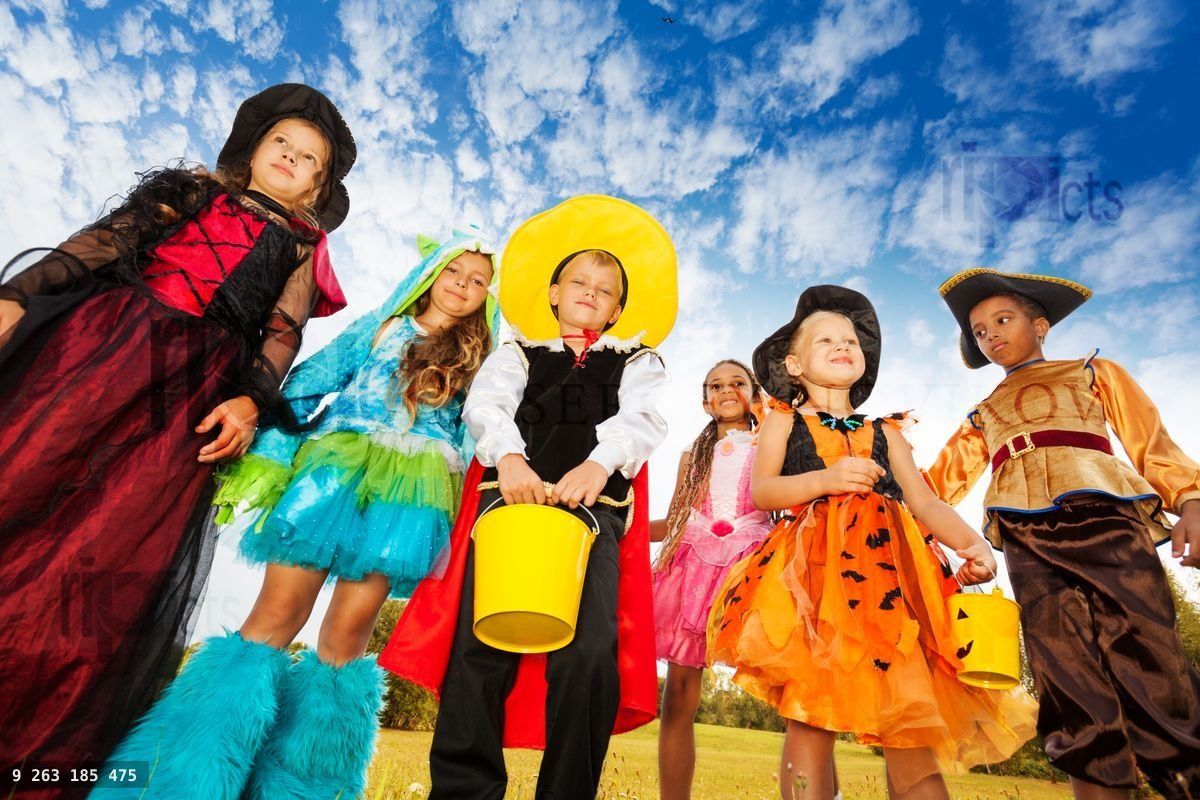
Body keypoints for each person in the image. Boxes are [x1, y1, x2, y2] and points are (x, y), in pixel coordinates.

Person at [0, 83, 355, 797]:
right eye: (281, 142)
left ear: (317, 186)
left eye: (308, 157)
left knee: (103, 557)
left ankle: (30, 752)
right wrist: (15, 296)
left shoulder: (297, 248)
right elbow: (97, 246)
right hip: (101, 351)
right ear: (252, 151)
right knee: (20, 480)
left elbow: (281, 338)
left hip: (189, 403)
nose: (291, 155)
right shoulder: (190, 193)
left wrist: (251, 402)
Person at [98, 228, 499, 799]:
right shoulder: (383, 326)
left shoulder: (480, 358)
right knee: (278, 613)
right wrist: (274, 453)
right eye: (454, 272)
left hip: (407, 502)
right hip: (332, 474)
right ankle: (179, 777)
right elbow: (313, 380)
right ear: (429, 276)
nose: (463, 285)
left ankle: (305, 787)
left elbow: (476, 432)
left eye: (478, 280)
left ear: (489, 296)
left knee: (348, 635)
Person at [381, 194, 677, 799]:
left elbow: (644, 420)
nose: (590, 293)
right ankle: (465, 792)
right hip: (508, 509)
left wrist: (598, 466)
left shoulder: (638, 361)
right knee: (479, 650)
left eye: (605, 288)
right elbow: (487, 406)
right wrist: (511, 459)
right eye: (578, 281)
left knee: (590, 653)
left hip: (594, 519)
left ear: (620, 307)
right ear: (552, 292)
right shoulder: (517, 354)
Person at [708, 285, 1037, 800]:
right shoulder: (783, 421)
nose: (844, 345)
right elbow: (764, 490)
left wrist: (972, 545)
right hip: (813, 579)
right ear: (793, 364)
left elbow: (925, 503)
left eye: (851, 340)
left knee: (907, 705)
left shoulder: (887, 432)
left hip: (892, 581)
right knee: (811, 707)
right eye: (825, 340)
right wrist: (825, 479)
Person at [926, 267, 1200, 800]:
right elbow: (937, 485)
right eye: (980, 331)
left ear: (1042, 325)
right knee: (1064, 670)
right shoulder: (982, 413)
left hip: (1107, 516)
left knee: (1151, 654)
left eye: (1002, 320)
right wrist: (892, 509)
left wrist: (1190, 498)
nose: (991, 335)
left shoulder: (1094, 373)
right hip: (1027, 535)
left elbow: (1151, 442)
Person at [651, 358, 773, 800]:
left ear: (756, 394)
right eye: (715, 385)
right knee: (680, 690)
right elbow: (676, 520)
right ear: (704, 401)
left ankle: (813, 784)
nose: (726, 390)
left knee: (785, 679)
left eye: (737, 383)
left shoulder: (770, 442)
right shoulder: (693, 455)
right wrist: (620, 527)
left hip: (751, 569)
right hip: (695, 569)